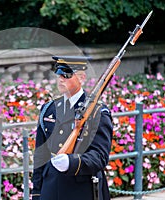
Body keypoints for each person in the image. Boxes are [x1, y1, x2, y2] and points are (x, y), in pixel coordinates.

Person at [31, 56, 113, 200]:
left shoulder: (97, 112)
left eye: (67, 75)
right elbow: (40, 155)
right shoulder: (48, 109)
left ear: (82, 78)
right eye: (59, 74)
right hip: (51, 186)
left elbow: (100, 156)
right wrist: (37, 193)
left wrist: (73, 162)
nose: (61, 79)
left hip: (81, 189)